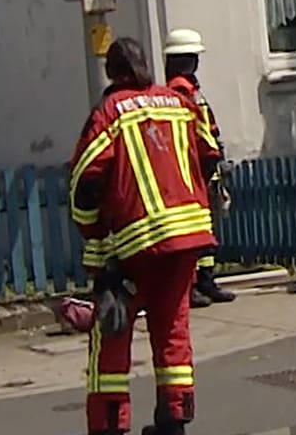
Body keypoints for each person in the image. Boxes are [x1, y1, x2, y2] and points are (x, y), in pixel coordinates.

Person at [70, 38, 217, 435]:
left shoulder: (109, 112)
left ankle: (110, 424)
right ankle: (174, 419)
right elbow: (209, 152)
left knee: (112, 330)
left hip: (136, 242)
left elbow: (84, 180)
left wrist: (94, 236)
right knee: (172, 327)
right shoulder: (178, 103)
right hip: (187, 238)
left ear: (112, 73)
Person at [161, 28, 234, 308]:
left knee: (205, 226)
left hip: (204, 165)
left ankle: (205, 279)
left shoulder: (189, 88)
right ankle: (191, 285)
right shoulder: (180, 90)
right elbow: (195, 131)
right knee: (193, 228)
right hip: (194, 167)